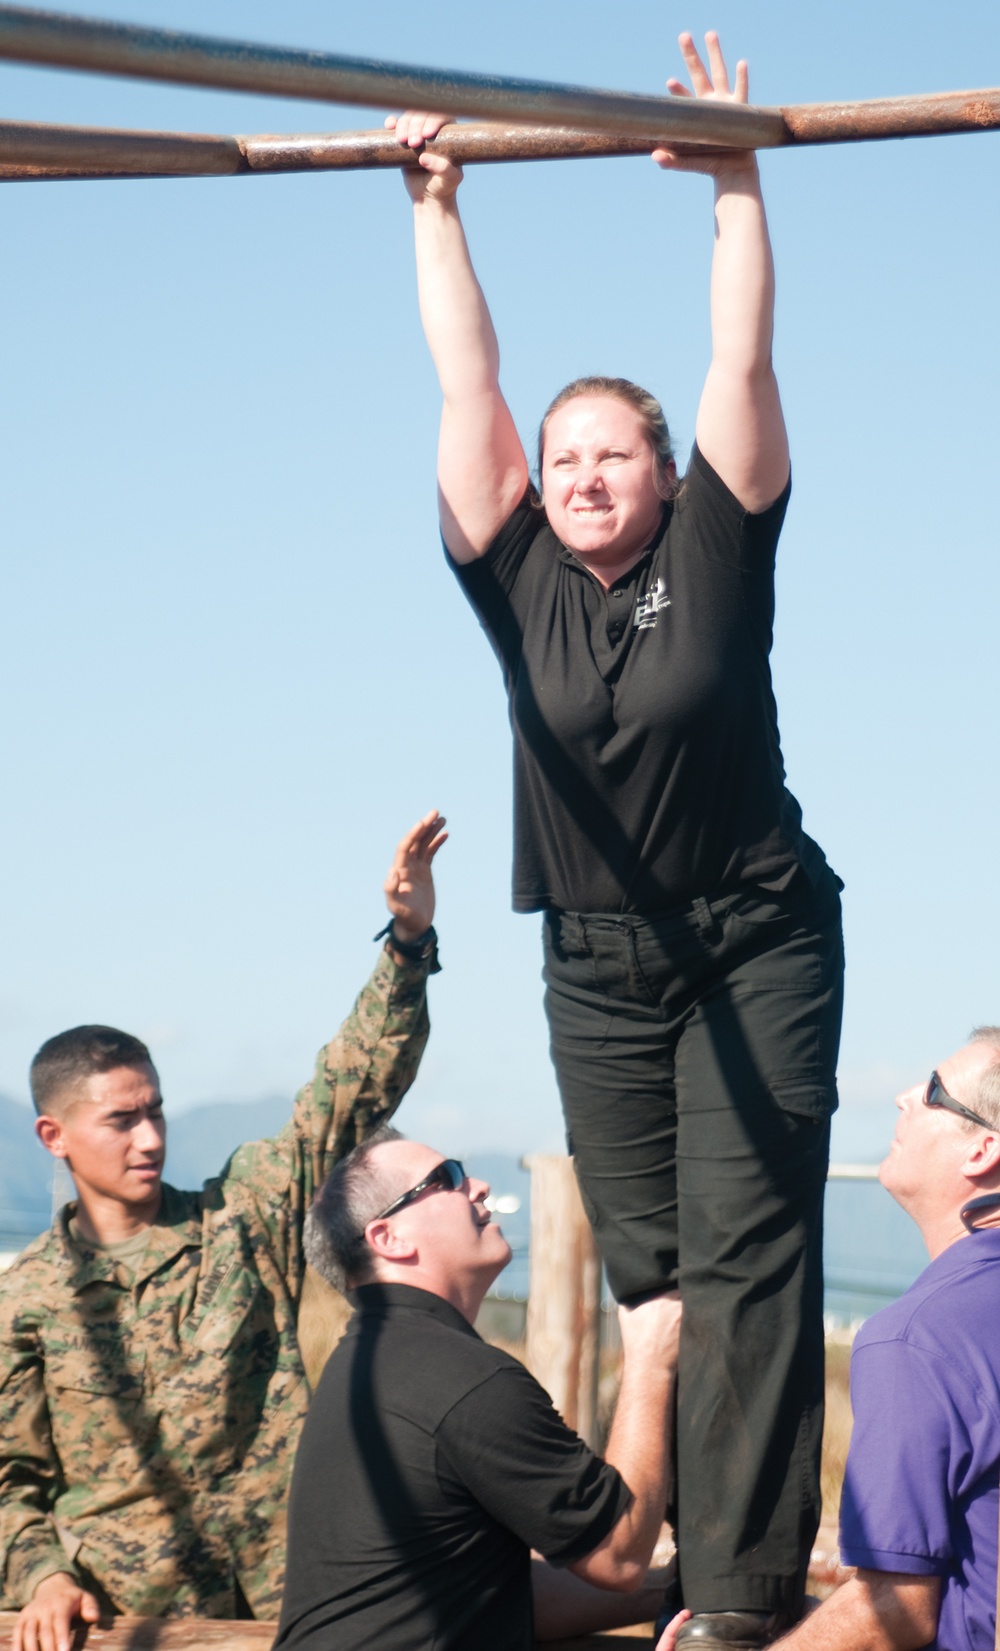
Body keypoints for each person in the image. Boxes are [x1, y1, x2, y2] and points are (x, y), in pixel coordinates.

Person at [390, 32, 844, 1648]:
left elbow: (742, 369)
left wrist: (734, 182)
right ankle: (632, 1558)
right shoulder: (512, 576)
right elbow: (470, 389)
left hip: (755, 935)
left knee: (749, 1258)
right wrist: (434, 204)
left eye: (613, 454)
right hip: (595, 956)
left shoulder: (722, 542)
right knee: (652, 1273)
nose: (582, 473)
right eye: (565, 455)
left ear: (666, 478)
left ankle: (736, 1600)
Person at [0, 812, 446, 1651]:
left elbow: (346, 1092)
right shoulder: (25, 1300)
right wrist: (43, 1577)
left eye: (156, 1111)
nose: (150, 1138)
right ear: (53, 1137)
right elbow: (8, 1482)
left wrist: (407, 941)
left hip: (300, 1599)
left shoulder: (241, 1213)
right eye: (122, 1120)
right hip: (138, 1624)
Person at [275, 1125, 690, 1650]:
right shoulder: (460, 1379)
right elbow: (619, 1553)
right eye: (448, 1179)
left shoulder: (366, 1364)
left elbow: (490, 1591)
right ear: (388, 1238)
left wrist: (680, 1589)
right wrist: (652, 1356)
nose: (480, 1186)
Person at [665, 1028, 1000, 1651]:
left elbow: (894, 1612)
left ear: (982, 1150)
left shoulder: (917, 1339)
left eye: (934, 1092)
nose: (904, 1097)